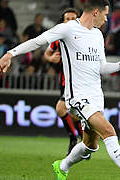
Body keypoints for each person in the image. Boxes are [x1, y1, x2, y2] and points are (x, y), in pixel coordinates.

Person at [0, 1, 120, 180]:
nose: (106, 19)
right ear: (96, 12)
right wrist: (10, 54)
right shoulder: (68, 29)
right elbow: (38, 41)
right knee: (109, 131)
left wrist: (119, 65)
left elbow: (102, 68)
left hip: (96, 96)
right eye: (105, 15)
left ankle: (62, 166)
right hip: (77, 97)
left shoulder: (97, 35)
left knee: (90, 145)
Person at [44, 8, 83, 156]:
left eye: (74, 18)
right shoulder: (58, 38)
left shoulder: (83, 37)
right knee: (73, 114)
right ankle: (83, 140)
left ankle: (74, 138)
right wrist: (51, 58)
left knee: (61, 109)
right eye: (67, 18)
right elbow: (47, 54)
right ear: (63, 21)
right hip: (64, 82)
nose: (70, 21)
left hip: (77, 81)